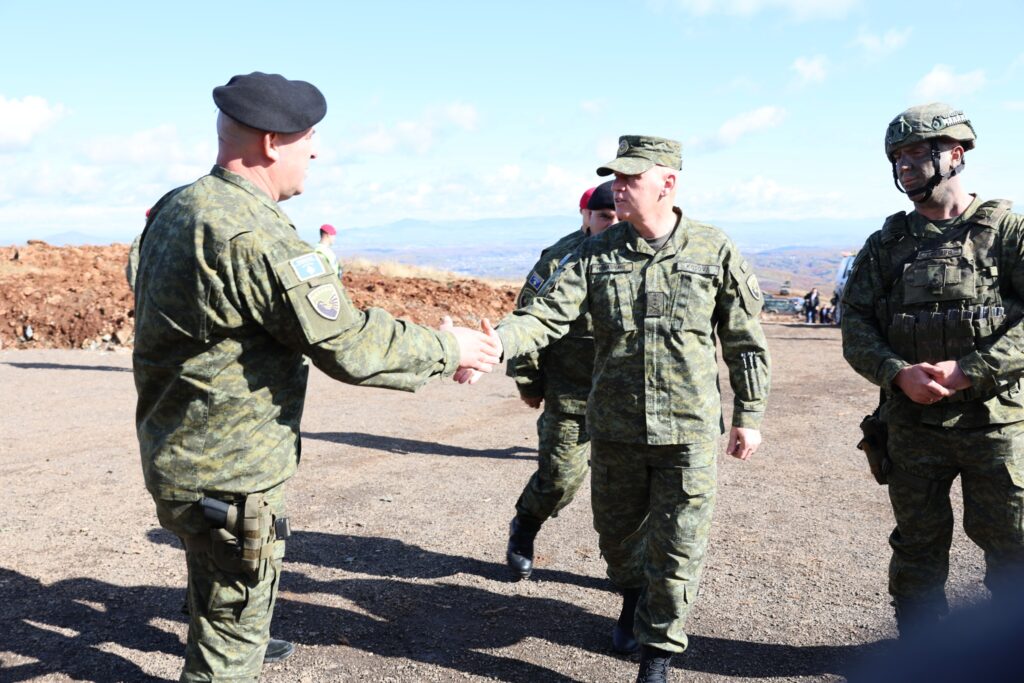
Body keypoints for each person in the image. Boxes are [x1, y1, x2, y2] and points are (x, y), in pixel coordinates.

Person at [132, 71, 500, 682]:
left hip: (177, 451)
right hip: (232, 476)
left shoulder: (178, 207)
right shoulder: (258, 236)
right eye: (309, 138)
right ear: (273, 143)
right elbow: (349, 344)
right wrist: (449, 346)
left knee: (218, 584)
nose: (317, 153)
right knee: (230, 647)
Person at [487, 135, 770, 683]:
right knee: (618, 540)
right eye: (615, 179)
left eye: (630, 180)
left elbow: (744, 340)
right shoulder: (594, 252)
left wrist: (749, 415)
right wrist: (499, 342)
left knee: (678, 547)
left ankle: (658, 654)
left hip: (687, 432)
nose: (618, 189)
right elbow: (546, 315)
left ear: (668, 183)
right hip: (613, 427)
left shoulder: (713, 249)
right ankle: (632, 594)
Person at [841, 103, 1024, 637]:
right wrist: (897, 373)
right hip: (912, 425)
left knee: (1013, 544)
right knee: (917, 545)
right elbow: (854, 324)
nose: (905, 165)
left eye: (917, 152)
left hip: (997, 425)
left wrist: (973, 370)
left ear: (956, 154)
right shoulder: (886, 246)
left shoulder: (1007, 233)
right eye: (897, 156)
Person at [505, 180, 618, 580]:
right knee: (559, 481)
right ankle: (525, 525)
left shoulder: (641, 256)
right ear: (586, 216)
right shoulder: (559, 261)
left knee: (630, 494)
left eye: (620, 215)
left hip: (626, 400)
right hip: (571, 395)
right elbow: (528, 320)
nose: (614, 223)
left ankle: (633, 576)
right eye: (605, 216)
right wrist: (528, 383)